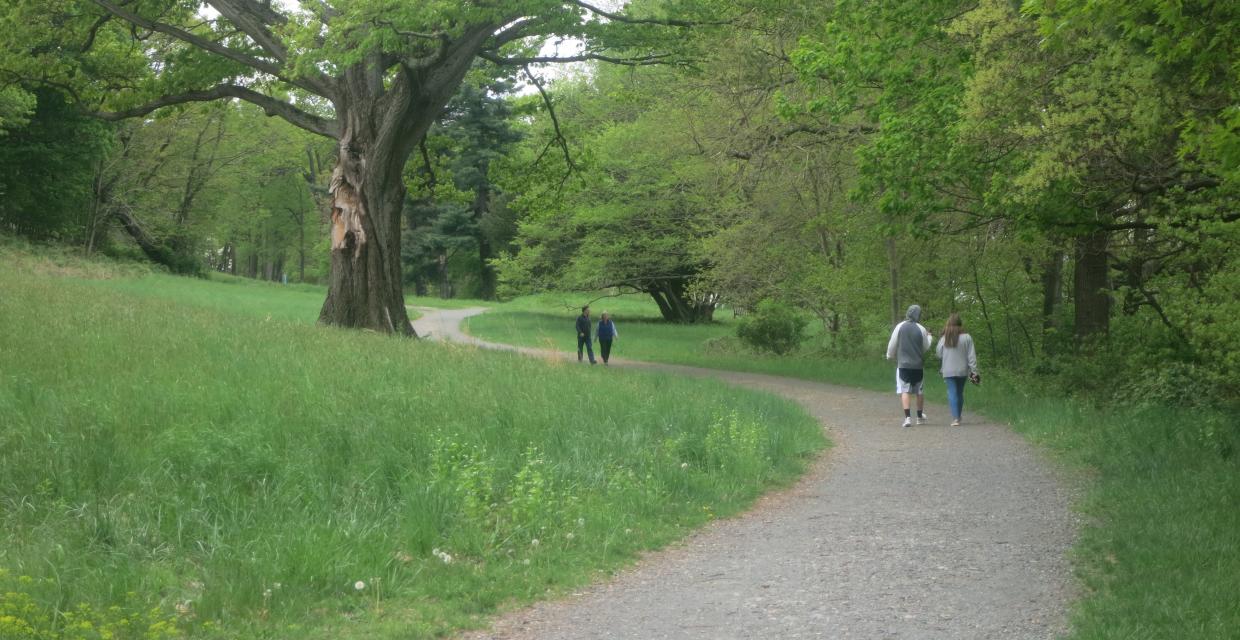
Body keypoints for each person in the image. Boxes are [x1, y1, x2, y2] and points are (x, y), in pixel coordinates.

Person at [886, 304, 932, 428]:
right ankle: (919, 417)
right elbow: (926, 347)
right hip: (918, 365)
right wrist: (930, 337)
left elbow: (893, 343)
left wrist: (889, 355)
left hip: (903, 365)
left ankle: (907, 418)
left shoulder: (899, 326)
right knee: (919, 391)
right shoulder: (921, 328)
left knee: (905, 390)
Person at [936, 313, 979, 427]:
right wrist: (974, 371)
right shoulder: (967, 337)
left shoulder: (944, 338)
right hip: (962, 370)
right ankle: (958, 416)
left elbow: (939, 354)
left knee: (952, 392)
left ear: (948, 323)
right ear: (960, 323)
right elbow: (971, 356)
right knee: (959, 392)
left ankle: (956, 418)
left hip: (948, 370)